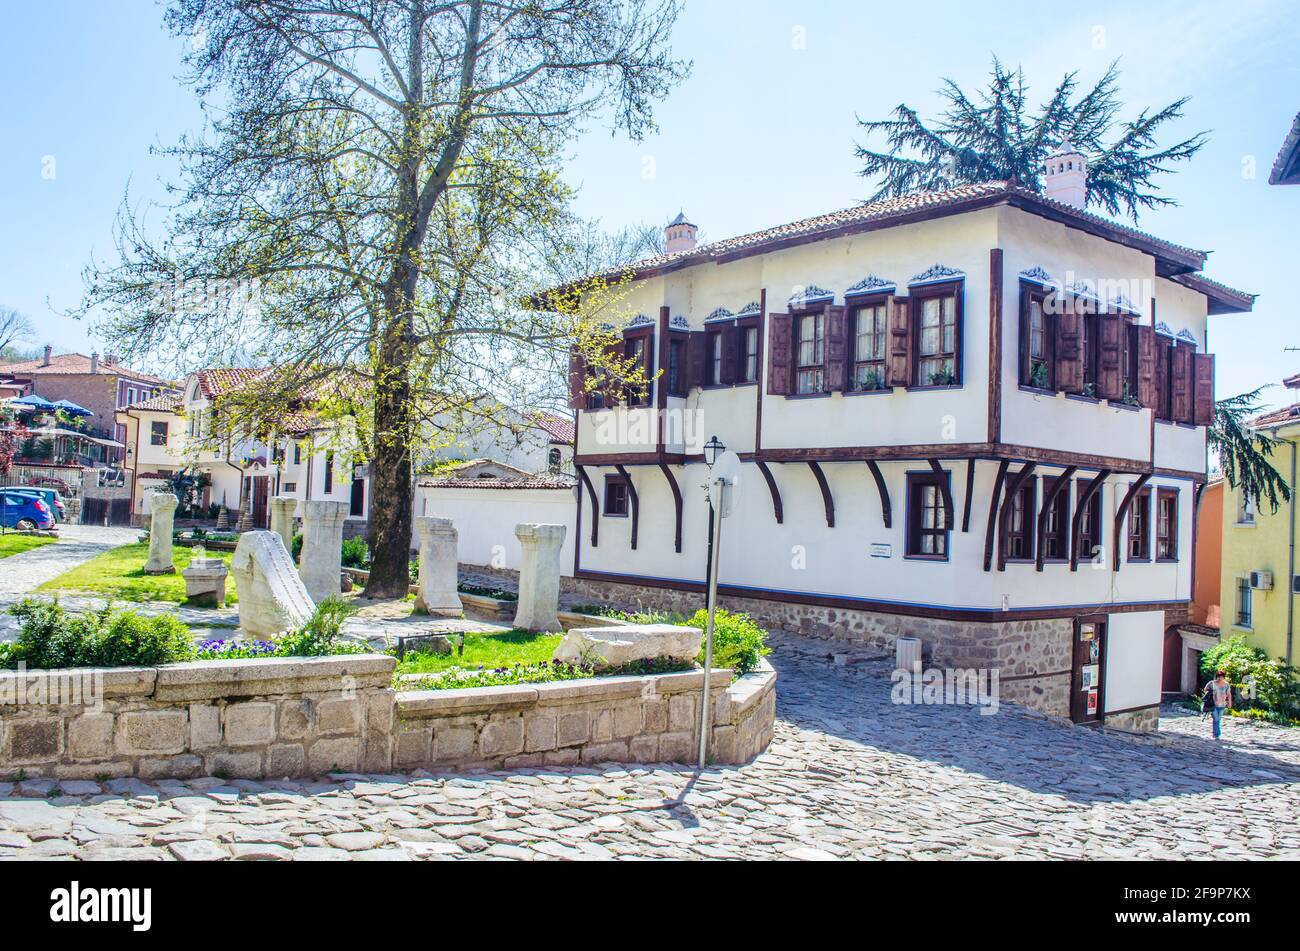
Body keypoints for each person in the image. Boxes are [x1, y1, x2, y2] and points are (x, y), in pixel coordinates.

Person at [1204, 669, 1233, 740]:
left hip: (1222, 704)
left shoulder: (1226, 685)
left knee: (1218, 719)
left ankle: (1215, 733)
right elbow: (1205, 689)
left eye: (1221, 676)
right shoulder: (1212, 683)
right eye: (1218, 676)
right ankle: (1217, 734)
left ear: (1224, 677)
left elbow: (1229, 694)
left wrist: (1230, 702)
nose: (1219, 678)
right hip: (1213, 704)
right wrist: (1211, 692)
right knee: (1216, 718)